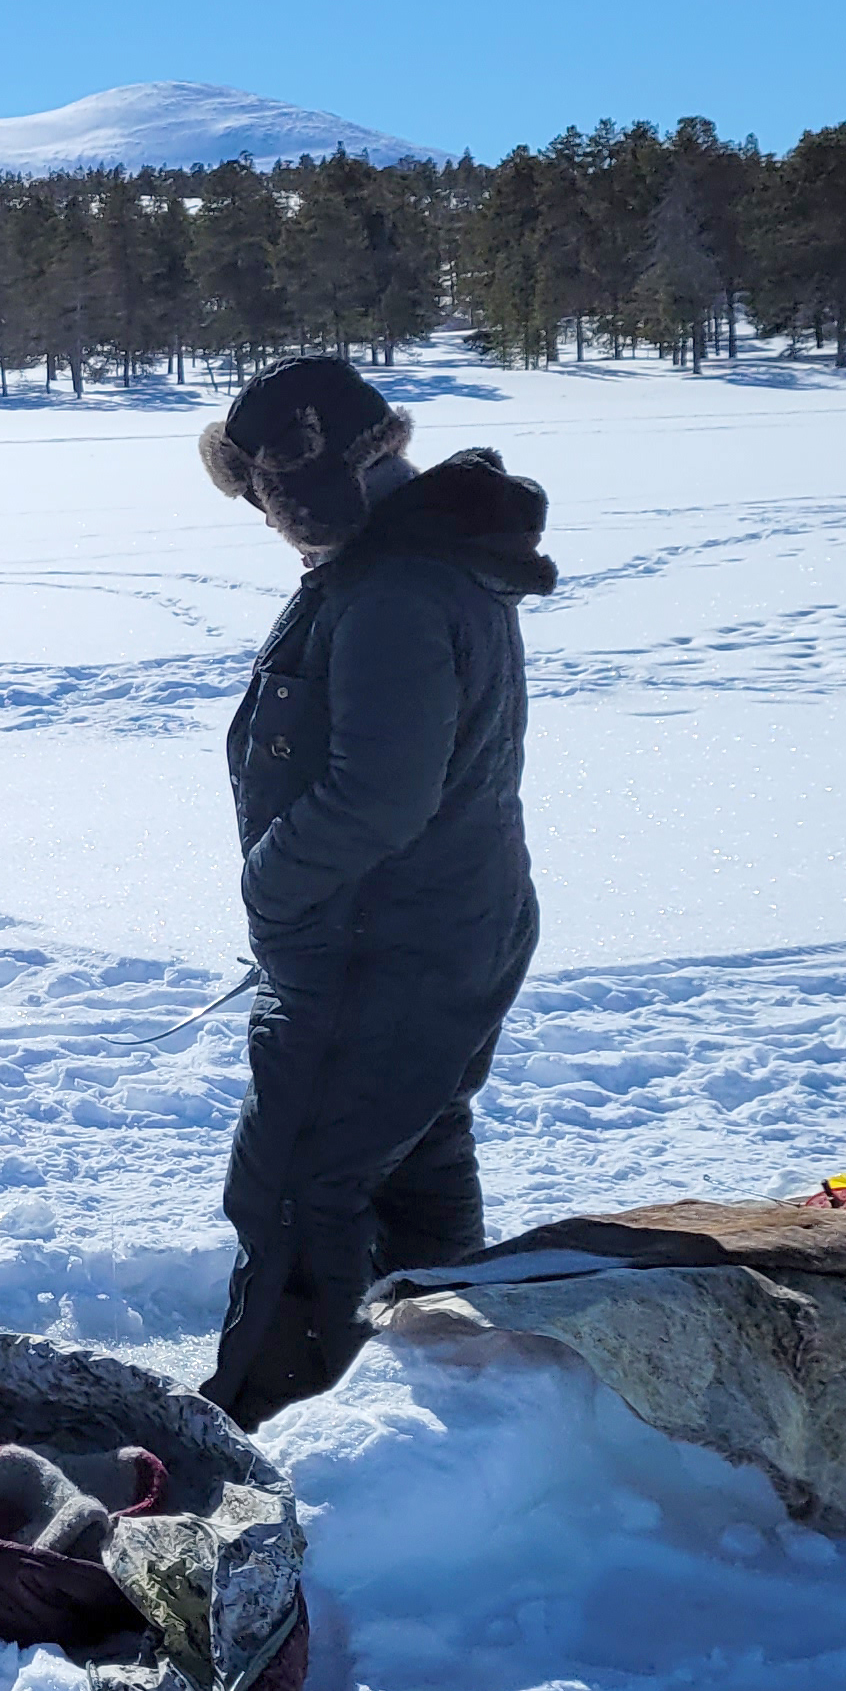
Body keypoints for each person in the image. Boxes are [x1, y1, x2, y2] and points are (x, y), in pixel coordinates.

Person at [199, 358, 556, 1429]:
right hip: (431, 933)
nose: (267, 523)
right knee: (407, 1169)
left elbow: (378, 798)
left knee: (301, 1187)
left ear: (306, 481)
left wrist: (271, 888)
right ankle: (452, 1415)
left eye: (264, 498)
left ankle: (270, 1443)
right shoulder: (405, 563)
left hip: (380, 951)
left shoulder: (396, 591)